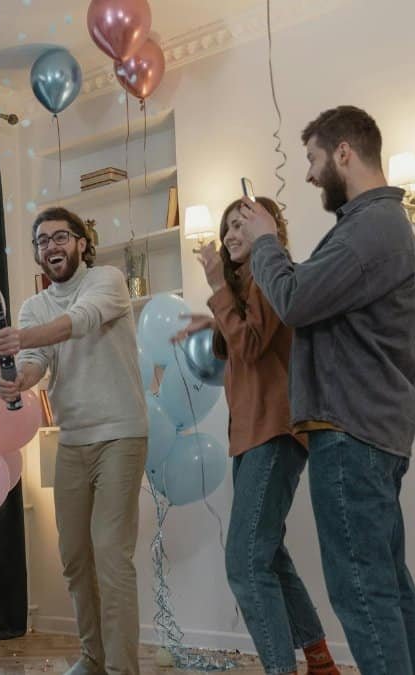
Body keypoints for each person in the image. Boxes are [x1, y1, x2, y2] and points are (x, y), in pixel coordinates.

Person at [236, 105, 415, 675]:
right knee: (387, 587)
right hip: (373, 431)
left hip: (351, 433)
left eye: (314, 159)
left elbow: (294, 301)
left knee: (363, 593)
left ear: (344, 151)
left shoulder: (371, 228)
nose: (310, 174)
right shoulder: (378, 227)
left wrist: (267, 241)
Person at [175, 198, 339, 675]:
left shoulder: (272, 272)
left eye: (241, 223)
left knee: (244, 564)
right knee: (267, 552)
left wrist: (214, 289)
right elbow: (247, 339)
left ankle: (280, 668)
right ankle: (320, 660)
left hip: (273, 430)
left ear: (269, 228)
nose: (229, 233)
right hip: (250, 434)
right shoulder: (246, 286)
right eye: (227, 226)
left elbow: (249, 344)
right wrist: (216, 317)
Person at [0, 207, 148, 675]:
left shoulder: (108, 280)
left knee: (111, 555)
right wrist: (20, 379)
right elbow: (40, 361)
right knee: (75, 558)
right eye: (42, 241)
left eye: (61, 237)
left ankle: (122, 668)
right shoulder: (34, 305)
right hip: (73, 440)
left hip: (121, 432)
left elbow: (77, 322)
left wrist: (18, 339)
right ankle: (93, 657)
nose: (51, 247)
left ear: (82, 242)